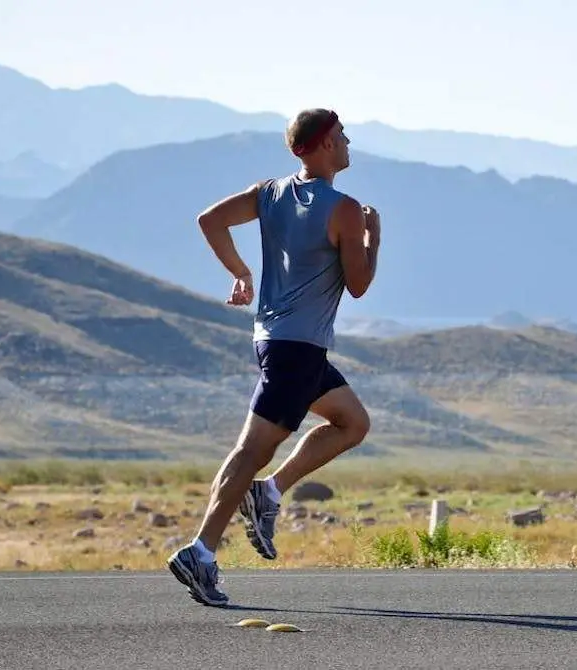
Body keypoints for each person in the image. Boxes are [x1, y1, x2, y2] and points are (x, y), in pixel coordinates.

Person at [167, 108, 380, 607]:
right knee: (250, 450)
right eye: (343, 137)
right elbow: (359, 284)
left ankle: (270, 492)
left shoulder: (270, 192)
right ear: (325, 143)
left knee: (352, 422)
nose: (349, 144)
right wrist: (374, 238)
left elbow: (210, 220)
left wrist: (241, 272)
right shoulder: (345, 210)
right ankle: (200, 551)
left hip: (279, 341)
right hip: (297, 349)